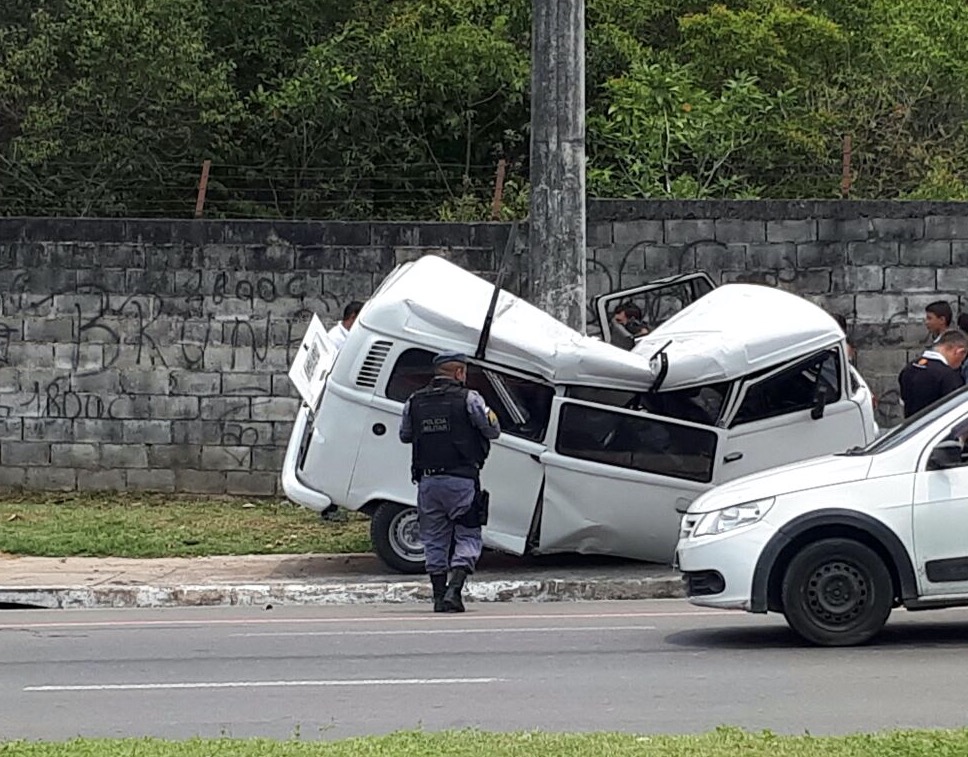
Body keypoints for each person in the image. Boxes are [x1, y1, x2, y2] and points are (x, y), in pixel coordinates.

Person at [398, 352, 501, 613]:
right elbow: (493, 430)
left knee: (433, 538)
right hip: (461, 480)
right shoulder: (470, 399)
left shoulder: (414, 401)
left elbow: (405, 435)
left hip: (428, 482)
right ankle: (454, 591)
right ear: (459, 373)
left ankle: (438, 597)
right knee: (468, 533)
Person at [898, 329, 968, 418]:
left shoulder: (909, 368)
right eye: (962, 358)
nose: (960, 364)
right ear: (959, 352)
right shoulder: (949, 376)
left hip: (912, 428)